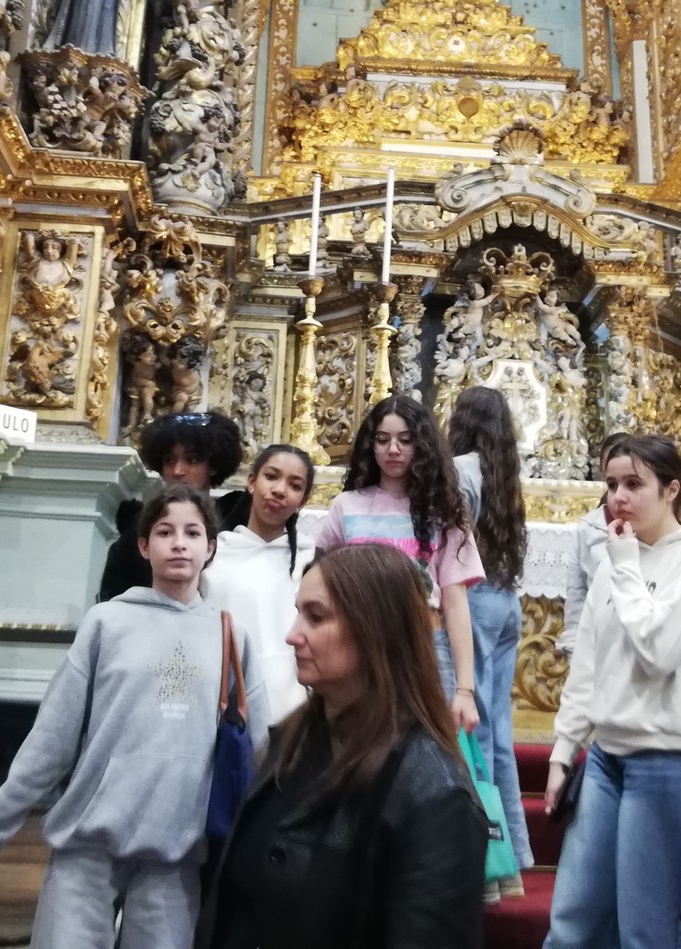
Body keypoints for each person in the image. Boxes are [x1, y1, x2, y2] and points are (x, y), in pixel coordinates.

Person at [0, 485, 269, 948]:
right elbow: (52, 740)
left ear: (210, 548)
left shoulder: (231, 636)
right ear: (143, 546)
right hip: (87, 847)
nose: (179, 543)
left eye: (192, 533)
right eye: (164, 532)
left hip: (177, 857)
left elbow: (259, 750)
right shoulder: (106, 622)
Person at [197, 543, 489, 948]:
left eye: (316, 617)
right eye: (298, 612)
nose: (292, 635)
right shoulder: (291, 742)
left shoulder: (435, 795)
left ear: (376, 630)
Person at [543, 433, 681, 949]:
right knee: (573, 925)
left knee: (647, 934)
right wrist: (564, 748)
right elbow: (588, 661)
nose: (619, 497)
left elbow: (658, 652)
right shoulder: (614, 560)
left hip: (675, 757)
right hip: (608, 754)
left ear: (672, 490)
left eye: (634, 484)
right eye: (611, 485)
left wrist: (625, 564)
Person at [313, 395, 482, 733]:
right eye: (383, 439)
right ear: (370, 444)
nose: (393, 449)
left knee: (427, 748)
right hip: (356, 644)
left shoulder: (444, 512)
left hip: (425, 645)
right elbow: (320, 589)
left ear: (422, 446)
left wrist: (465, 689)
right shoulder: (346, 506)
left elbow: (455, 601)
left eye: (405, 440)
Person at [448, 386, 535, 900]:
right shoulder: (503, 473)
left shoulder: (460, 470)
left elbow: (452, 548)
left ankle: (483, 860)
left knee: (472, 730)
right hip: (504, 601)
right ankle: (512, 860)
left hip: (475, 602)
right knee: (498, 732)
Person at [202, 444, 316, 726]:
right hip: (223, 706)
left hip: (294, 711)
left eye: (294, 485)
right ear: (252, 482)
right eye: (271, 476)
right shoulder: (214, 556)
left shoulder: (312, 561)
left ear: (303, 501)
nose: (280, 490)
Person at [98, 410, 245, 602]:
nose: (177, 470)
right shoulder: (136, 532)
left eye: (192, 460)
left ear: (213, 465)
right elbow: (112, 600)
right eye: (169, 460)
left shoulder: (237, 522)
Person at [561, 431, 632, 657]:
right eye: (612, 482)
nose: (620, 492)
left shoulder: (649, 525)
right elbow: (577, 592)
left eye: (631, 482)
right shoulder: (590, 526)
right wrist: (574, 641)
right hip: (596, 640)